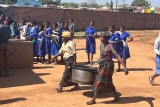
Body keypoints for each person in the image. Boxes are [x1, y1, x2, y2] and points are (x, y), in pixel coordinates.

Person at [86, 32, 128, 105]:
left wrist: (124, 66)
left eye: (102, 37)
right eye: (100, 37)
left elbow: (117, 55)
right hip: (102, 65)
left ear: (106, 39)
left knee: (100, 81)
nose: (100, 39)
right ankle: (116, 96)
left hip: (108, 66)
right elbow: (102, 58)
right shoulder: (101, 45)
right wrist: (99, 67)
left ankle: (93, 99)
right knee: (108, 82)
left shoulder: (110, 46)